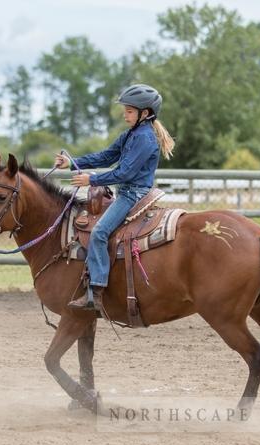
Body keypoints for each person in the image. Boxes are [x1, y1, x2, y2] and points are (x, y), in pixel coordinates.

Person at [54, 84, 175, 312]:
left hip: (133, 194)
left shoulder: (145, 139)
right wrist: (72, 163)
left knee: (99, 232)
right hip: (127, 191)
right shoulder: (132, 134)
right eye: (126, 110)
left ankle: (96, 292)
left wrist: (91, 180)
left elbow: (125, 173)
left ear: (145, 113)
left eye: (129, 110)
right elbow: (106, 156)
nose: (125, 114)